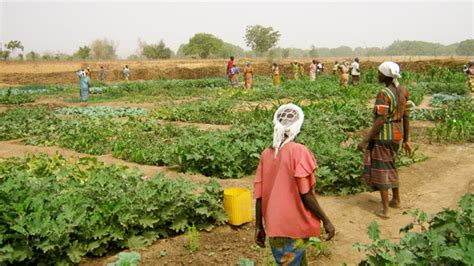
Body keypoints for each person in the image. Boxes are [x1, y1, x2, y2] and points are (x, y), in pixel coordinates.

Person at [254, 103, 335, 265]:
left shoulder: (266, 154)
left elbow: (259, 195)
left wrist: (259, 226)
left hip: (275, 228)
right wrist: (326, 220)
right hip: (293, 227)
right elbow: (305, 194)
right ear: (298, 128)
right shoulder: (299, 151)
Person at [358, 61, 413, 219]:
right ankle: (395, 200)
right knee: (391, 166)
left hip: (384, 136)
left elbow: (381, 119)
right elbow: (406, 117)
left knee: (381, 169)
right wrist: (407, 139)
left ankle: (384, 209)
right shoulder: (403, 91)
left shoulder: (384, 93)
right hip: (397, 136)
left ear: (386, 76)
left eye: (379, 73)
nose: (377, 75)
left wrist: (365, 140)